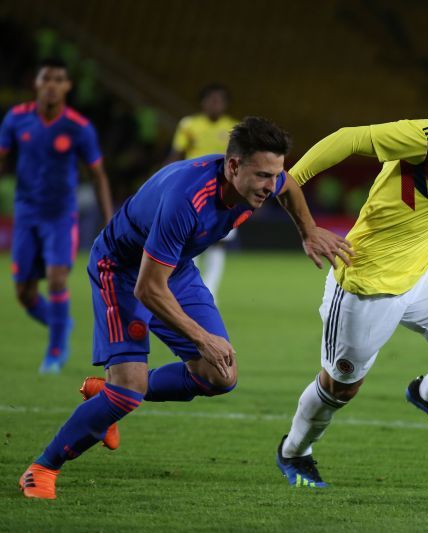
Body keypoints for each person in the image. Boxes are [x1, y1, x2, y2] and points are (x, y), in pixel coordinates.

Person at [19, 117, 351, 499]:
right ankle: (42, 467)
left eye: (273, 174)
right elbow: (147, 289)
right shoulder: (186, 200)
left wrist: (308, 230)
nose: (270, 186)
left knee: (219, 375)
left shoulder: (258, 183)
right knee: (128, 390)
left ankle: (105, 397)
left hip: (172, 267)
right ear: (232, 166)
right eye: (262, 175)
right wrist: (201, 337)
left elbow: (289, 185)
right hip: (123, 270)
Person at [275, 49, 428, 488]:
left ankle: (427, 394)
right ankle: (294, 451)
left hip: (421, 271)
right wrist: (287, 179)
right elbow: (348, 138)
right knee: (339, 390)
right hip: (367, 280)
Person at [0, 57, 114, 374]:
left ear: (67, 86)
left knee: (56, 278)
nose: (51, 85)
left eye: (58, 79)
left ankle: (54, 351)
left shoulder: (78, 127)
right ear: (35, 83)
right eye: (46, 78)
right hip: (25, 214)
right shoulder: (16, 119)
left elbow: (98, 175)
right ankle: (61, 324)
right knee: (24, 295)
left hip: (61, 215)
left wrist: (110, 219)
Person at [166, 83, 239, 300]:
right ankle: (191, 291)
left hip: (223, 193)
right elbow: (176, 154)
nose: (215, 104)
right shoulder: (189, 125)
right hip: (193, 190)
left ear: (225, 104)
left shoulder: (234, 129)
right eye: (211, 99)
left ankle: (210, 295)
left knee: (218, 243)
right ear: (203, 102)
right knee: (191, 240)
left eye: (220, 100)